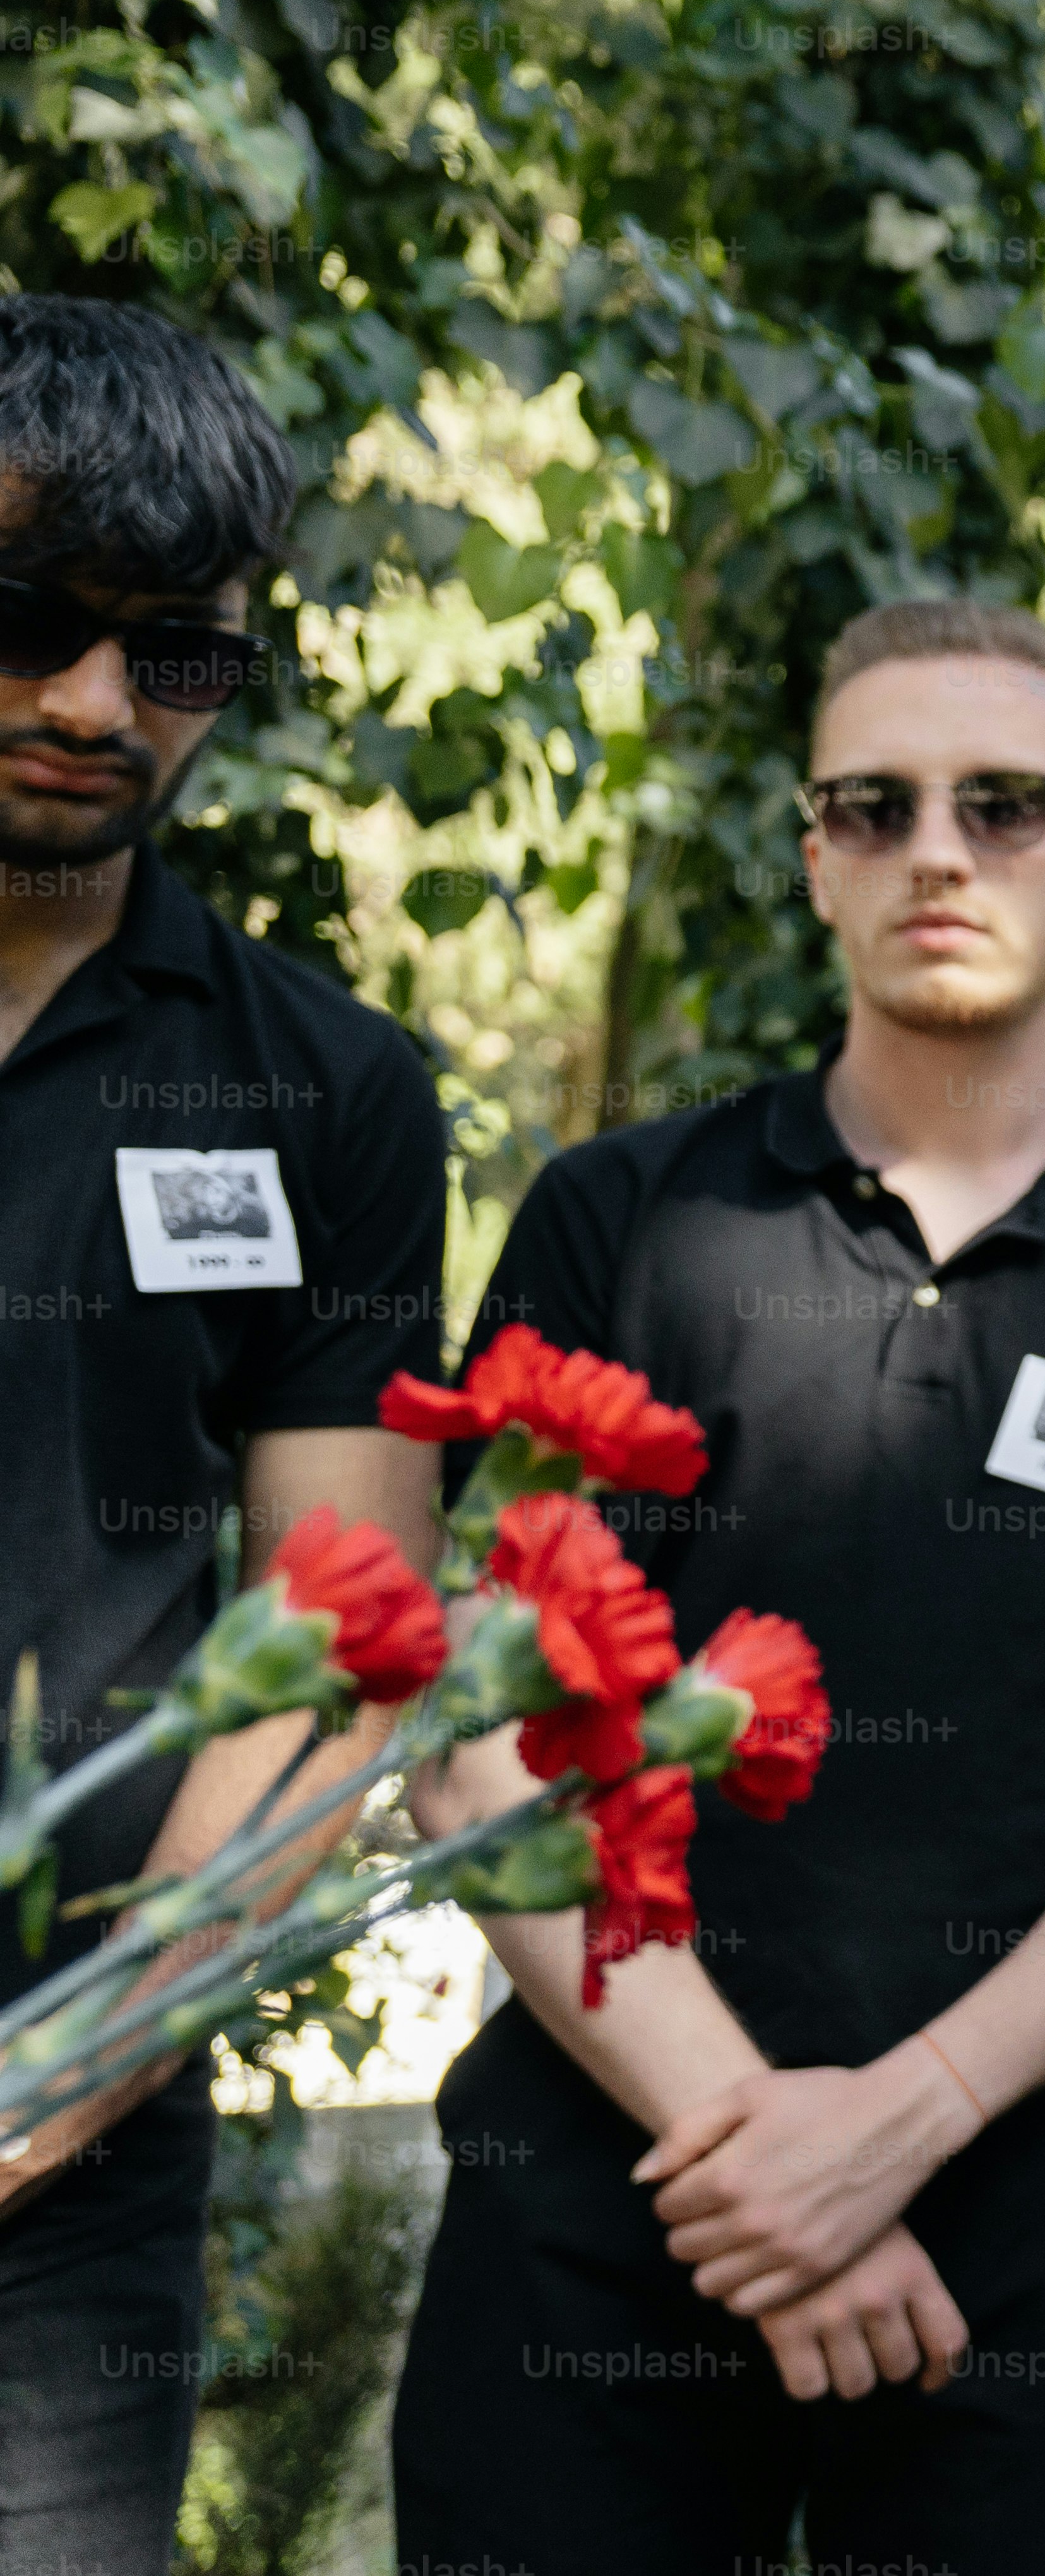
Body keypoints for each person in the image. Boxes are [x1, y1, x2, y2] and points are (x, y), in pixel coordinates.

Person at [388, 599, 1045, 2575]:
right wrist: (767, 2161)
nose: (941, 851)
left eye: (1005, 804)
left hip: (1032, 2217)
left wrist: (898, 2124)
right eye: (879, 805)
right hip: (612, 2176)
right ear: (816, 854)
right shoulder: (622, 1219)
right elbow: (481, 1734)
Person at [0, 297, 446, 2576]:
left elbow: (340, 1639)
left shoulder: (323, 1094)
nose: (97, 703)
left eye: (174, 651)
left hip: (61, 2182)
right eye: (33, 622)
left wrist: (66, 2072)